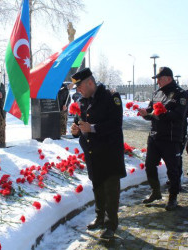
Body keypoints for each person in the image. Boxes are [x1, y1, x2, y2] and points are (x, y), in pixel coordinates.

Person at [70, 68, 126, 239]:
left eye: (80, 87)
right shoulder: (82, 101)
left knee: (111, 190)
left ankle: (110, 225)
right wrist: (76, 131)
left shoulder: (111, 96)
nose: (78, 91)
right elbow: (79, 122)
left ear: (90, 82)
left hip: (109, 152)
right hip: (93, 153)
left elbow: (115, 124)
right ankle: (100, 217)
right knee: (98, 188)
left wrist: (92, 128)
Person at [138, 67, 188, 211]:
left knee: (172, 169)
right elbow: (150, 111)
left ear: (168, 78)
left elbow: (179, 115)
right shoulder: (157, 93)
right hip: (155, 135)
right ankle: (155, 191)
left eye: (160, 79)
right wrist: (145, 113)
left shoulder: (181, 94)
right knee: (149, 165)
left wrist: (161, 113)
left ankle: (173, 197)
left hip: (171, 138)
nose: (157, 82)